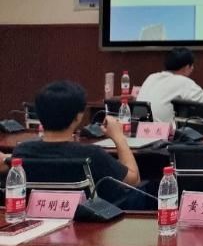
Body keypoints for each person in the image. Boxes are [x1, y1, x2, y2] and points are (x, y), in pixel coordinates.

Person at [13, 81, 141, 196]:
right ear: (78, 116)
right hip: (87, 214)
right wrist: (118, 137)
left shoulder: (22, 152)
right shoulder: (92, 154)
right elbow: (133, 181)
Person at [137, 47, 203, 125]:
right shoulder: (183, 82)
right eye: (192, 65)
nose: (192, 68)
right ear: (187, 67)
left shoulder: (151, 77)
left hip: (139, 131)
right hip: (164, 133)